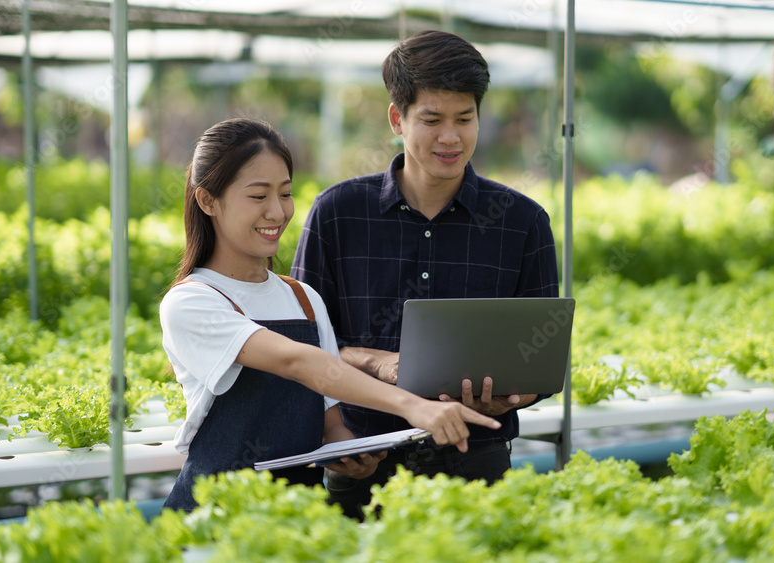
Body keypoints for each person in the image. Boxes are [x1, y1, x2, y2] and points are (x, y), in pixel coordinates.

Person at [159, 118, 500, 512]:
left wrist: (346, 451)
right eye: (258, 196)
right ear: (207, 201)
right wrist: (414, 406)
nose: (277, 212)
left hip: (299, 518)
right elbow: (297, 361)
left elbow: (329, 422)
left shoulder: (303, 298)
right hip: (213, 515)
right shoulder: (193, 301)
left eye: (285, 194)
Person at [292, 30, 559, 520]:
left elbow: (542, 356)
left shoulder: (522, 222)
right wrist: (375, 366)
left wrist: (514, 397)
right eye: (432, 120)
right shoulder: (337, 214)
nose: (451, 137)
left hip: (476, 463)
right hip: (362, 461)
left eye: (465, 118)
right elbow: (302, 346)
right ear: (397, 118)